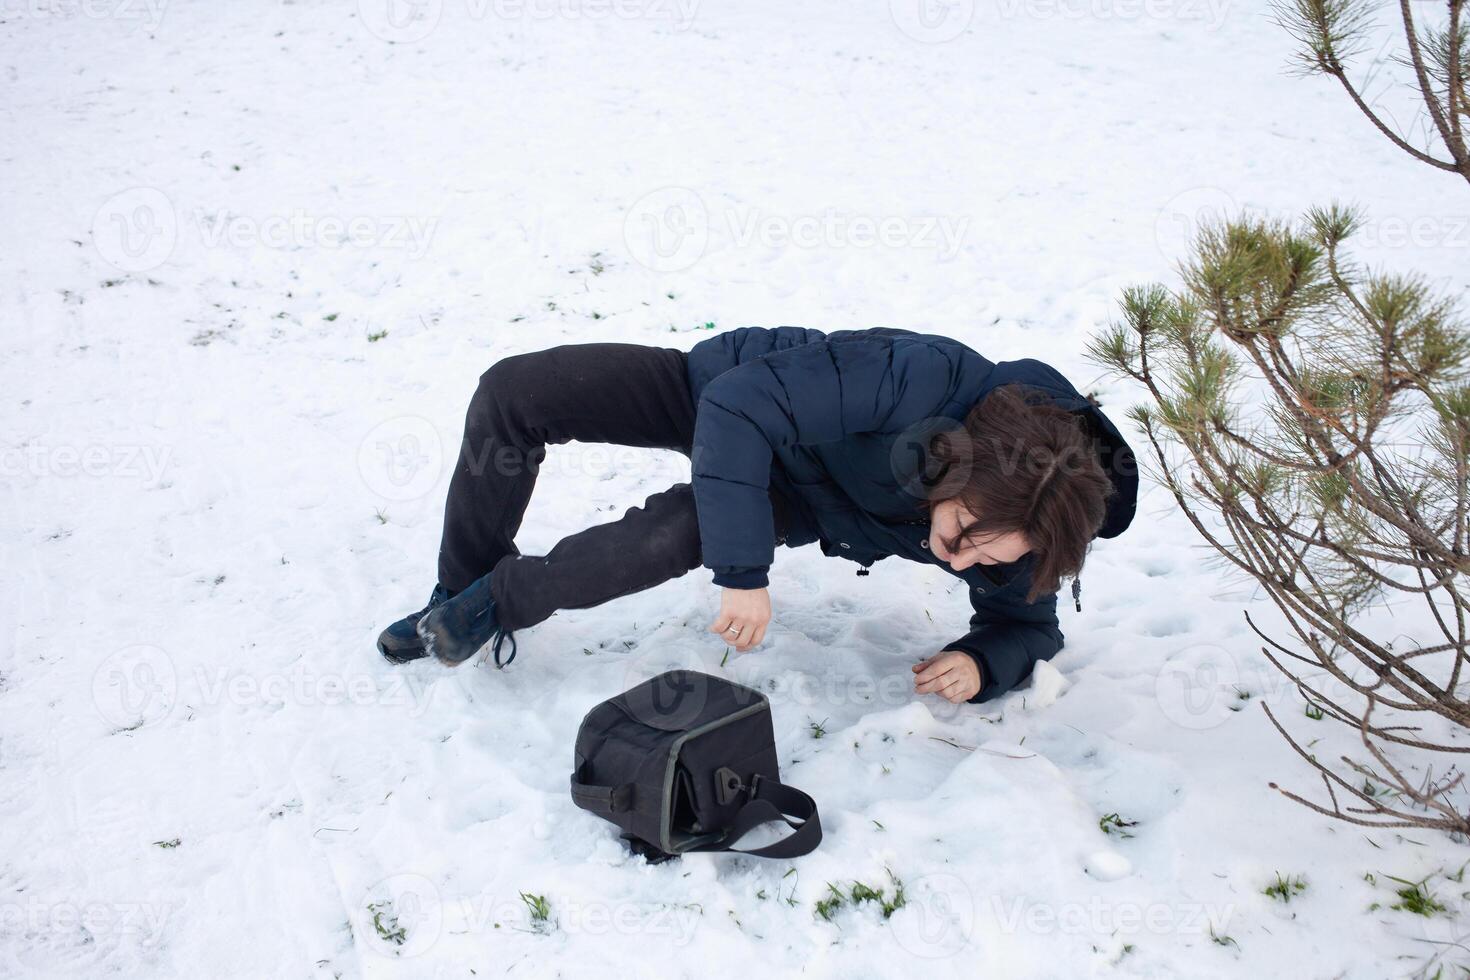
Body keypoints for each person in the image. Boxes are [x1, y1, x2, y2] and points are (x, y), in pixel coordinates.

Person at [376, 326, 1137, 704]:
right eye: (966, 538)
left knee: (669, 536)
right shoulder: (920, 378)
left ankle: (492, 606)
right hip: (727, 391)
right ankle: (460, 588)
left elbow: (1027, 626)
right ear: (962, 466)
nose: (962, 564)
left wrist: (983, 662)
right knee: (516, 391)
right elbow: (742, 406)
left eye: (988, 562)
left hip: (797, 495)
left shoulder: (1027, 523)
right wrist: (743, 576)